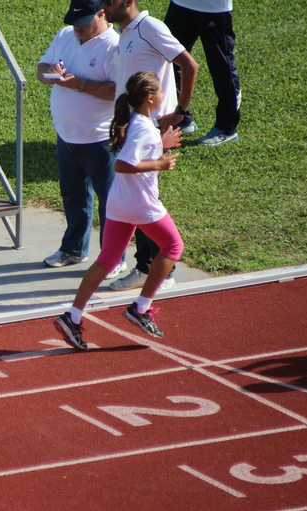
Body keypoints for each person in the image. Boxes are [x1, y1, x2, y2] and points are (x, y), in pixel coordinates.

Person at [55, 71, 184, 349]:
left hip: (118, 204)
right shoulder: (142, 127)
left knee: (108, 260)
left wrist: (161, 144)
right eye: (161, 91)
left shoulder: (142, 122)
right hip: (140, 204)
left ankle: (73, 317)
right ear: (150, 98)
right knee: (173, 247)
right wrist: (159, 164)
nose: (164, 95)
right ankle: (141, 307)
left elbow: (141, 149)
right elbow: (122, 164)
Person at [101, 0, 198, 292]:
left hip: (149, 130)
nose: (104, 5)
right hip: (135, 129)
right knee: (137, 199)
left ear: (129, 1)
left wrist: (180, 111)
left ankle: (157, 271)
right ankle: (148, 265)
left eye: (110, 0)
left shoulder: (150, 27)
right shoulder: (125, 33)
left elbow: (189, 64)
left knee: (143, 201)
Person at [38, 0, 128, 279]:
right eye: (74, 22)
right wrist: (50, 74)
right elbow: (42, 68)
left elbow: (118, 90)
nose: (78, 28)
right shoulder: (66, 34)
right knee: (74, 197)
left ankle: (115, 259)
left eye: (84, 22)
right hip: (66, 135)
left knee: (110, 202)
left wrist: (80, 85)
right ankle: (74, 249)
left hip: (100, 139)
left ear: (101, 14)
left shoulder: (115, 46)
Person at [164, 0, 240, 146]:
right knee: (167, 59)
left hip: (214, 8)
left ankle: (226, 128)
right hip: (180, 4)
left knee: (222, 68)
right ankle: (182, 118)